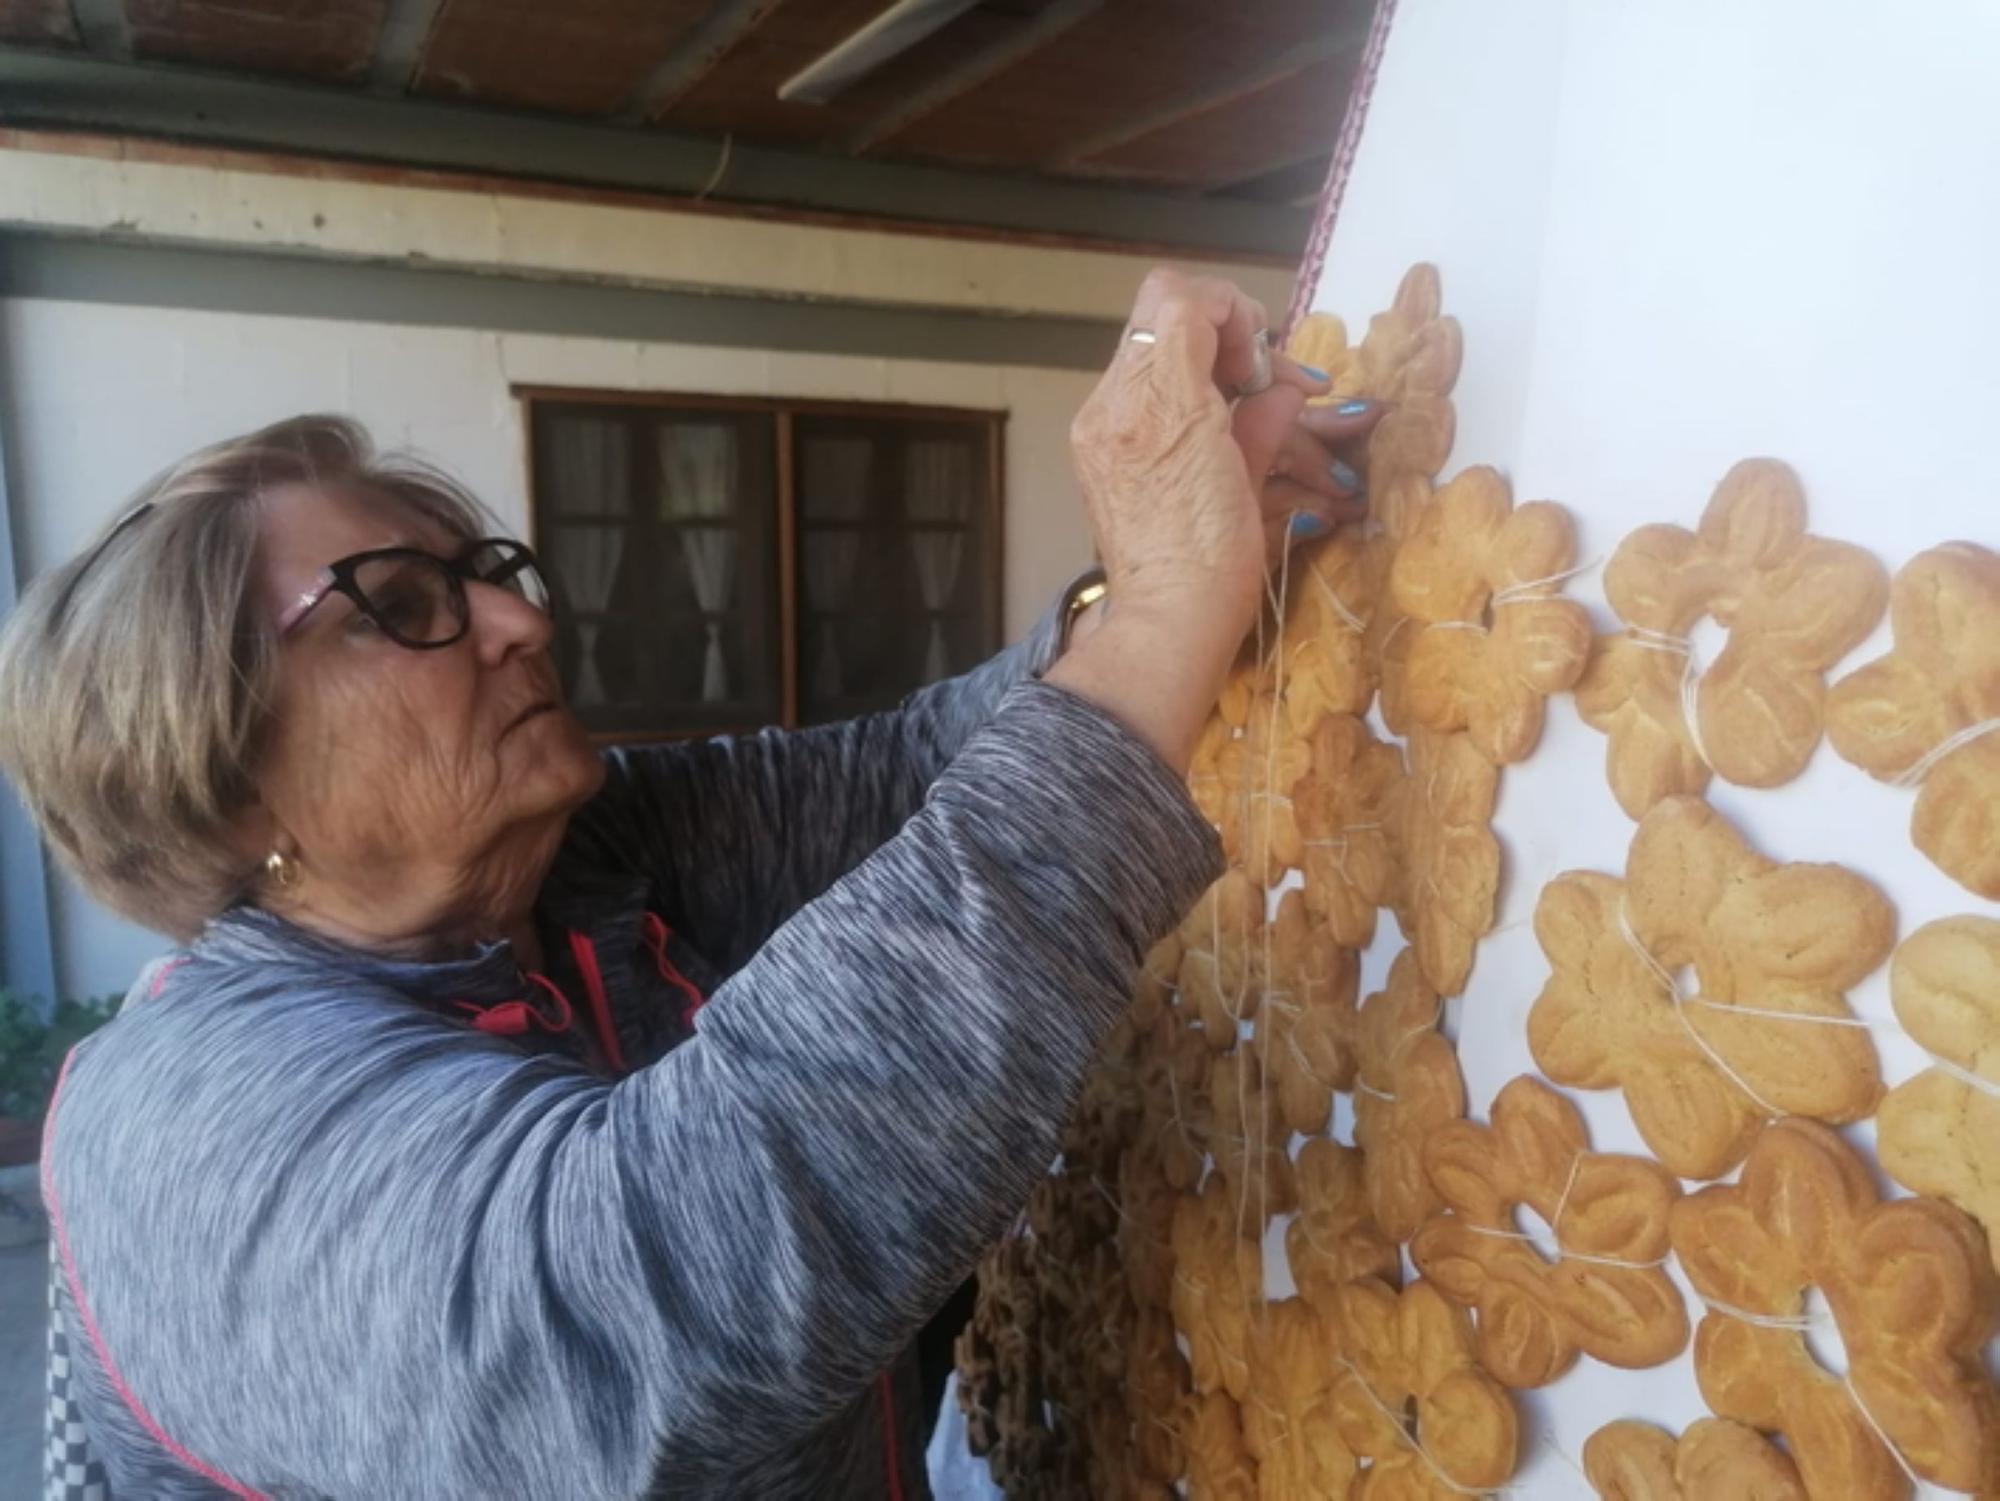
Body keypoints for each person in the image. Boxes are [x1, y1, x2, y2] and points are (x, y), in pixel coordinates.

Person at [0, 270, 1376, 1499]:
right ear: (221, 763)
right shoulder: (187, 1130)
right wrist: (1162, 614)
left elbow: (905, 773)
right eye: (405, 604)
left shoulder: (587, 853)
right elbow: (651, 1298)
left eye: (491, 574)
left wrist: (1155, 585)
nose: (526, 620)